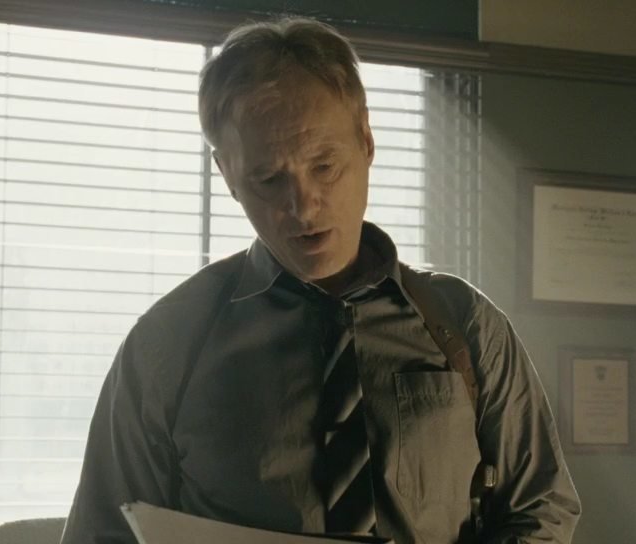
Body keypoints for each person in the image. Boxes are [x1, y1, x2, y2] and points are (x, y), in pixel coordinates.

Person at [61, 16, 580, 544]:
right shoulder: (166, 344)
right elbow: (103, 533)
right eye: (269, 179)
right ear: (227, 176)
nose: (304, 206)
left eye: (325, 166)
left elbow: (540, 507)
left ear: (367, 142)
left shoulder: (467, 326)